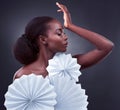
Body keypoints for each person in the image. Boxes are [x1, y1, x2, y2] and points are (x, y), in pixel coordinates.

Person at [13, 2, 114, 79]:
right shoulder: (22, 76)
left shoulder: (67, 65)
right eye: (59, 33)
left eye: (64, 32)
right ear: (43, 39)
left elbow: (106, 46)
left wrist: (70, 26)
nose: (65, 37)